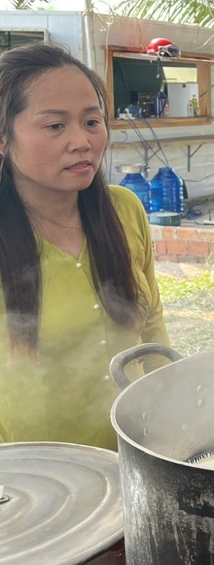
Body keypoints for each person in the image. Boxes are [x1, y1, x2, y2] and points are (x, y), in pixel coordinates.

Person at [0, 43, 169, 450]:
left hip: (137, 451)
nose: (82, 141)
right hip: (34, 478)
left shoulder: (124, 209)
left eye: (92, 121)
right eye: (55, 126)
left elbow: (151, 326)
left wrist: (172, 406)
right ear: (4, 138)